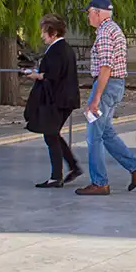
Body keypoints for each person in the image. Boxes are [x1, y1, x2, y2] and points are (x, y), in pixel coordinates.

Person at [74, 0, 136, 196]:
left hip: (107, 86)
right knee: (106, 133)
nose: (88, 16)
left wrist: (95, 98)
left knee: (93, 136)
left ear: (98, 12)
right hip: (114, 85)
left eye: (89, 12)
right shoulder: (113, 30)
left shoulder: (105, 34)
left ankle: (100, 182)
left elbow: (106, 67)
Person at [23, 13, 81, 188]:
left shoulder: (58, 50)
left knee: (50, 134)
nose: (42, 35)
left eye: (44, 31)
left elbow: (53, 75)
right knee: (52, 133)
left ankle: (57, 176)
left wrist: (35, 75)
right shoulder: (63, 48)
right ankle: (72, 167)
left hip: (58, 99)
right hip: (63, 98)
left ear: (53, 32)